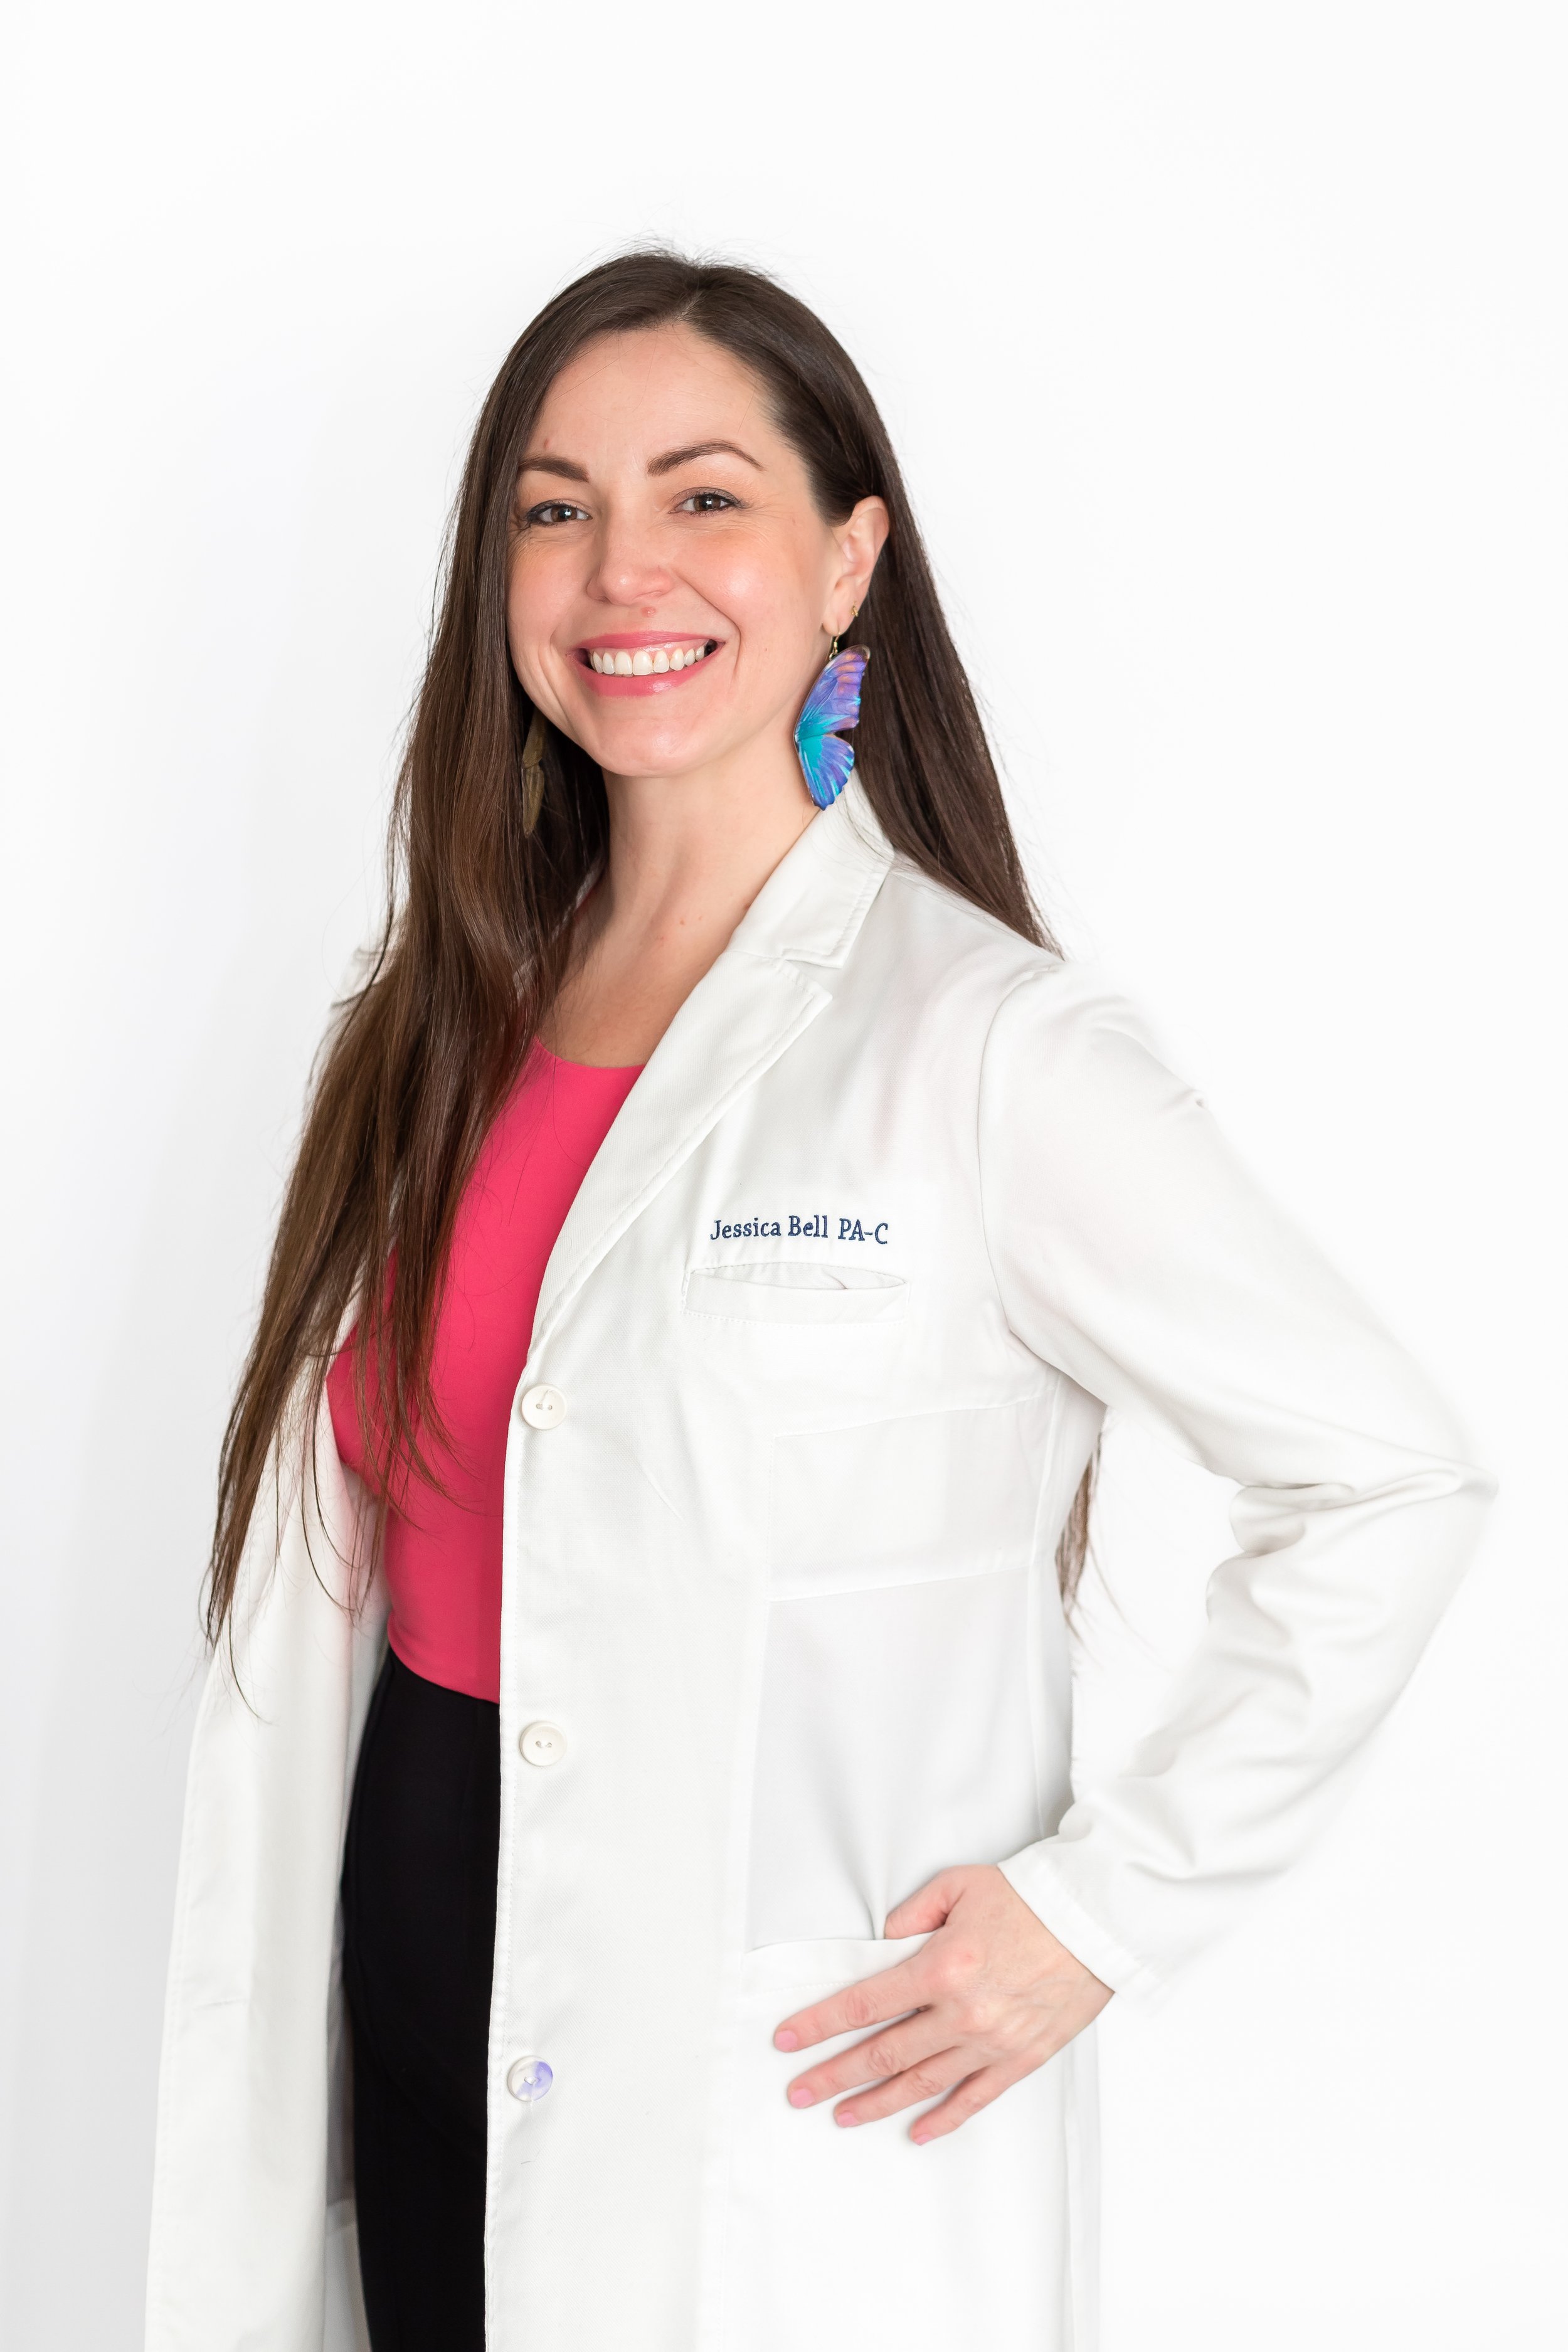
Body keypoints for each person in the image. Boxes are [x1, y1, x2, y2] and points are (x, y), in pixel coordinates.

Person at [145, 252, 1491, 2352]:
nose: (619, 573)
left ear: (848, 561)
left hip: (741, 2116)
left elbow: (1389, 1476)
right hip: (397, 2003)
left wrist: (1094, 1917)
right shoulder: (425, 1032)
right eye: (552, 505)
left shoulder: (982, 1047)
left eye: (702, 498)